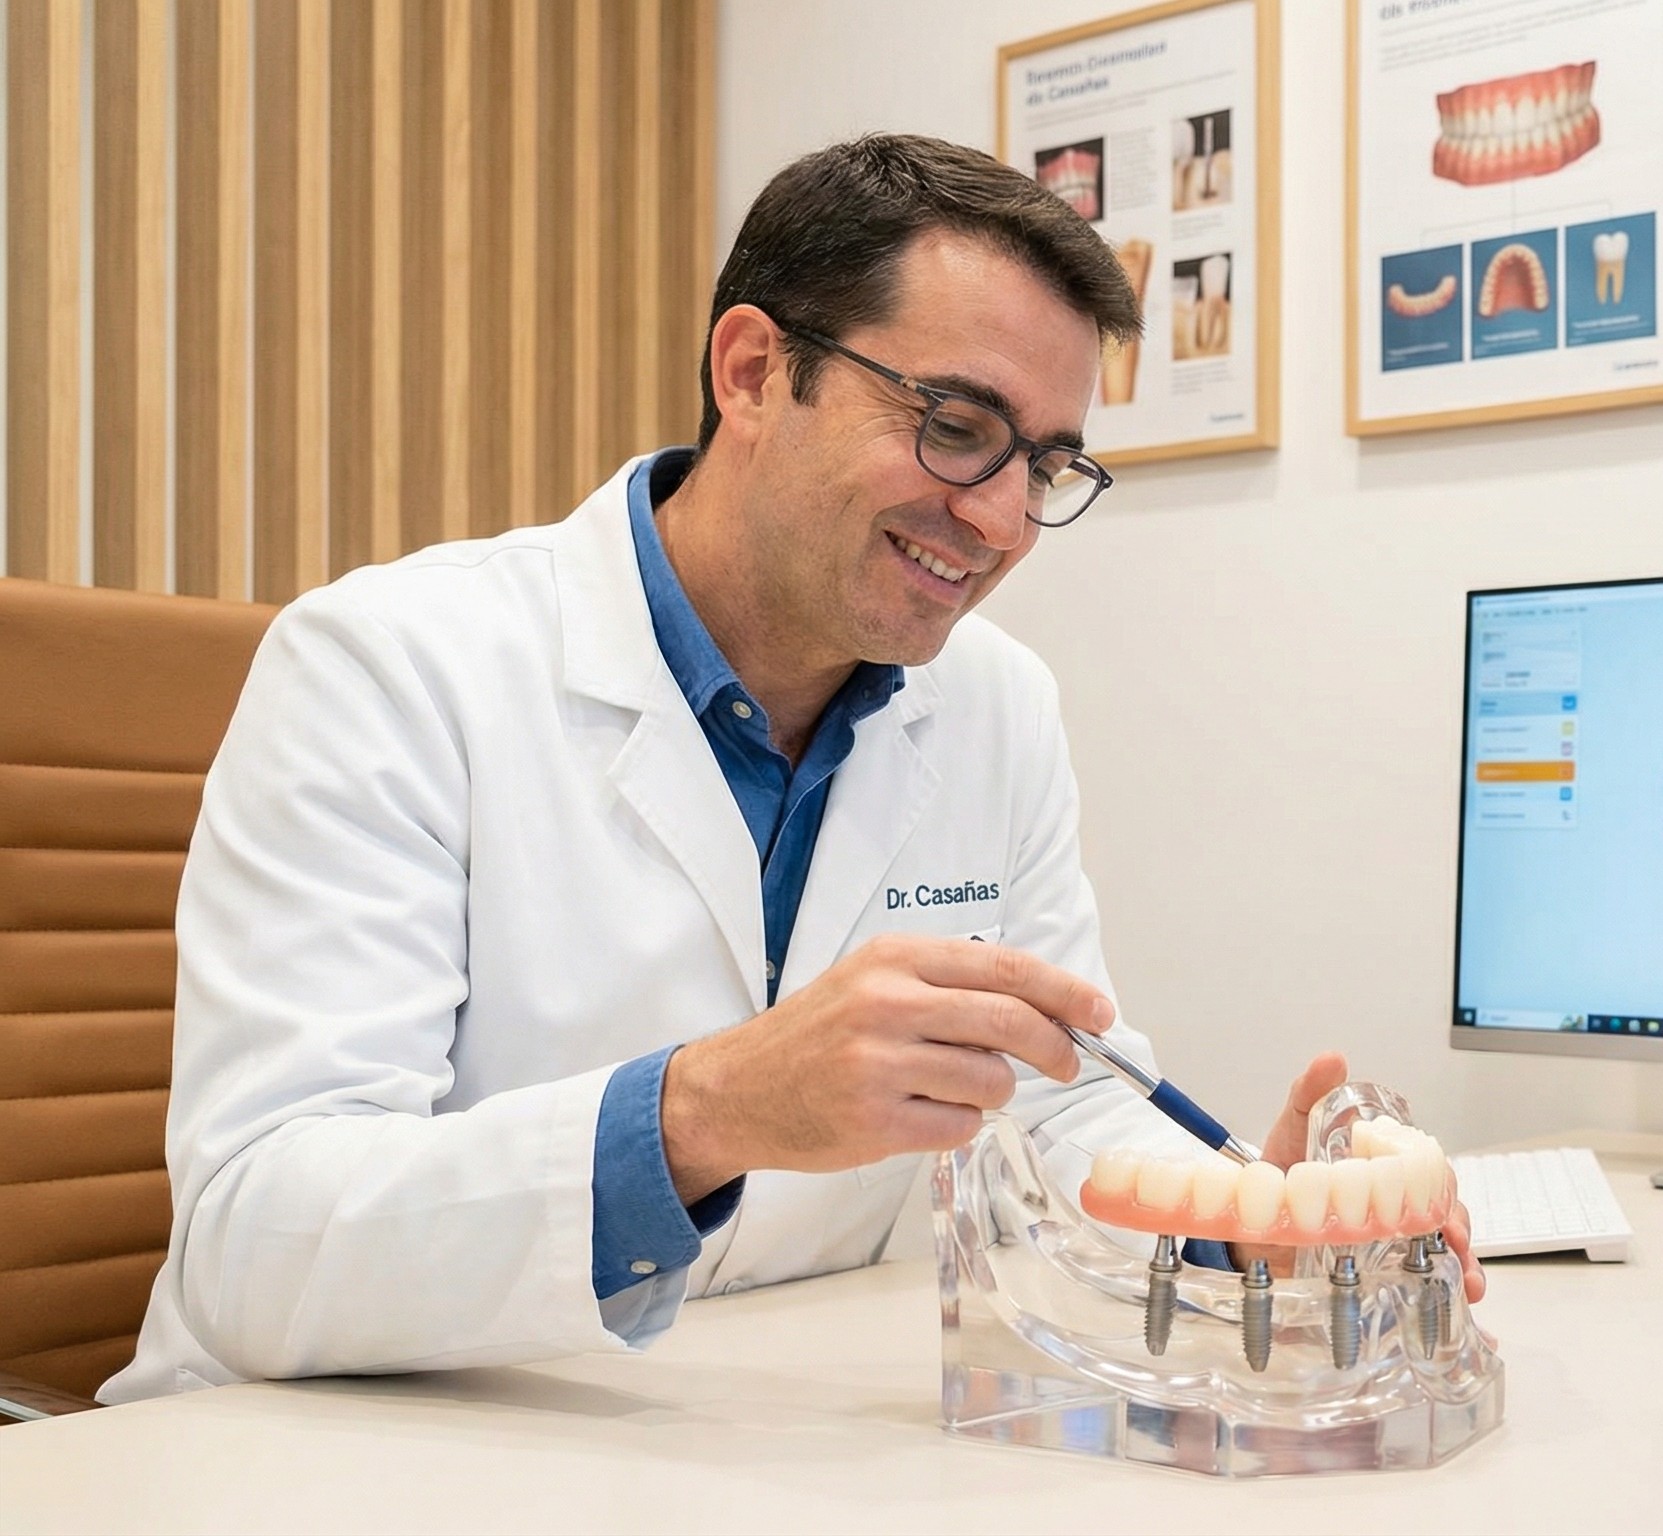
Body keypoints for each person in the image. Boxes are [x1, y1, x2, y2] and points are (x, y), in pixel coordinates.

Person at [106, 134, 1478, 1401]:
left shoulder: (996, 706)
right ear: (754, 370)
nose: (1002, 518)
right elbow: (254, 1245)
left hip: (739, 1430)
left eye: (1048, 462)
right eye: (955, 424)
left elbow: (1052, 1112)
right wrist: (710, 1110)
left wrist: (1248, 1221)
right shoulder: (389, 664)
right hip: (325, 1458)